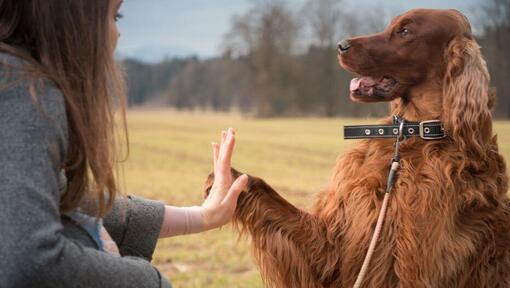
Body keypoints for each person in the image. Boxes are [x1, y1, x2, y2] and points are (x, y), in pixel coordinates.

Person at [0, 0, 248, 287]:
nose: (117, 34)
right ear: (71, 17)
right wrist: (149, 282)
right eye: (114, 15)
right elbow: (30, 261)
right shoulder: (24, 94)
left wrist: (201, 216)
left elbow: (53, 200)